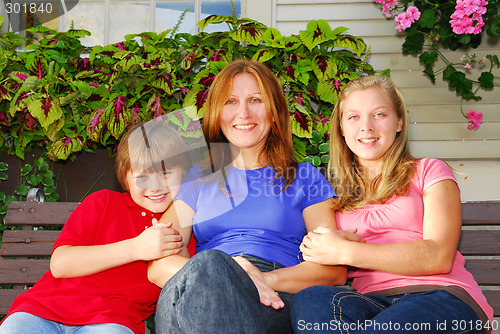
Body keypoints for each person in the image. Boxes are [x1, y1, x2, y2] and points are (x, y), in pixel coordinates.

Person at [148, 59, 356, 334]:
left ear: (274, 111)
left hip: (272, 295)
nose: (243, 113)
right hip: (200, 285)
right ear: (216, 112)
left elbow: (333, 271)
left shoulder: (303, 178)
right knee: (209, 265)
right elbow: (159, 265)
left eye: (255, 100)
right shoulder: (197, 180)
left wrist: (257, 278)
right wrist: (225, 273)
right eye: (231, 102)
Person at [290, 75, 494, 334]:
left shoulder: (428, 171)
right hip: (369, 303)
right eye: (353, 117)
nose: (366, 127)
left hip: (441, 297)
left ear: (399, 122)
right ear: (341, 128)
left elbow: (438, 256)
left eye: (379, 115)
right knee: (313, 301)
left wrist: (346, 251)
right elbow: (319, 254)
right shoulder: (332, 195)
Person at [0, 119, 191, 334]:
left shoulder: (184, 225)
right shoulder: (103, 203)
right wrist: (136, 248)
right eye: (142, 176)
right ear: (125, 179)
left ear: (184, 173)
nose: (155, 186)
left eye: (165, 173)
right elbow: (60, 264)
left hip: (112, 322)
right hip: (43, 310)